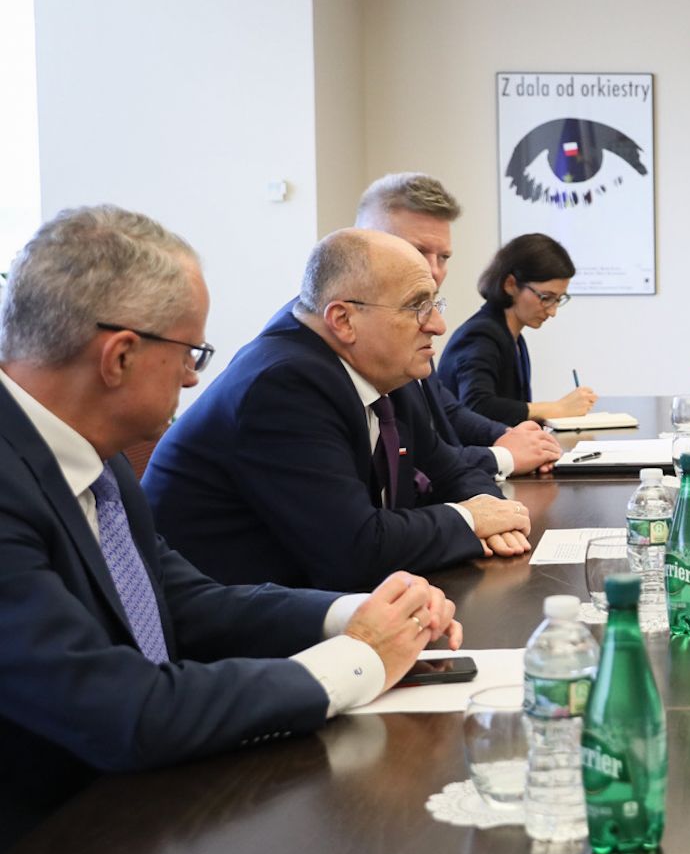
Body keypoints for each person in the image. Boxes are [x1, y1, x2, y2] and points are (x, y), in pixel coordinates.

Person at [0, 207, 462, 850]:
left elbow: (182, 601)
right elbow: (121, 708)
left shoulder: (95, 455)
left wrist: (354, 616)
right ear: (120, 356)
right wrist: (360, 660)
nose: (194, 376)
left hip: (131, 806)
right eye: (189, 352)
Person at [143, 229, 532, 590]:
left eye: (434, 304)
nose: (438, 325)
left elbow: (451, 470)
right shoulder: (283, 386)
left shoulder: (384, 365)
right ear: (343, 320)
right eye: (418, 306)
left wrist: (496, 515)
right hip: (229, 619)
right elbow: (355, 550)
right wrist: (471, 519)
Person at [354, 173, 561, 478]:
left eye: (444, 257)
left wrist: (508, 437)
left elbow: (445, 409)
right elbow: (422, 461)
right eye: (418, 251)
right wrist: (505, 454)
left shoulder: (413, 328)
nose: (434, 271)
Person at [440, 233, 596, 427]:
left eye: (558, 299)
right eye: (546, 297)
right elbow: (477, 405)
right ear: (511, 285)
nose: (553, 311)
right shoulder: (481, 335)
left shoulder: (514, 338)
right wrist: (557, 408)